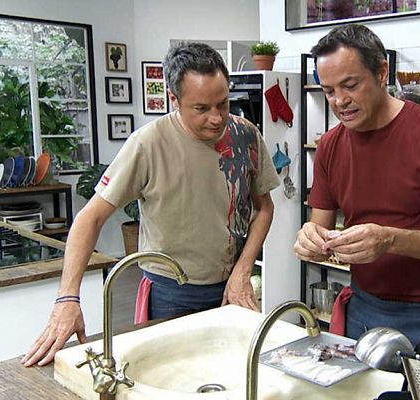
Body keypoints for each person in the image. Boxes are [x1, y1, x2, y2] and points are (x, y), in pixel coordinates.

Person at [22, 42, 280, 367]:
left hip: (233, 287)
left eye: (223, 103)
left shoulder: (245, 135)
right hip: (171, 292)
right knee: (169, 378)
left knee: (229, 376)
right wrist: (67, 298)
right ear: (174, 99)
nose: (216, 119)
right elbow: (89, 219)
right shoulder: (148, 144)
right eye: (201, 108)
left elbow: (264, 208)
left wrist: (243, 270)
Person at [293, 24, 420, 377]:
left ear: (382, 73)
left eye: (350, 86)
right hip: (363, 309)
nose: (339, 101)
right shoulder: (330, 146)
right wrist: (310, 240)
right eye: (329, 91)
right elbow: (319, 231)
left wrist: (390, 239)